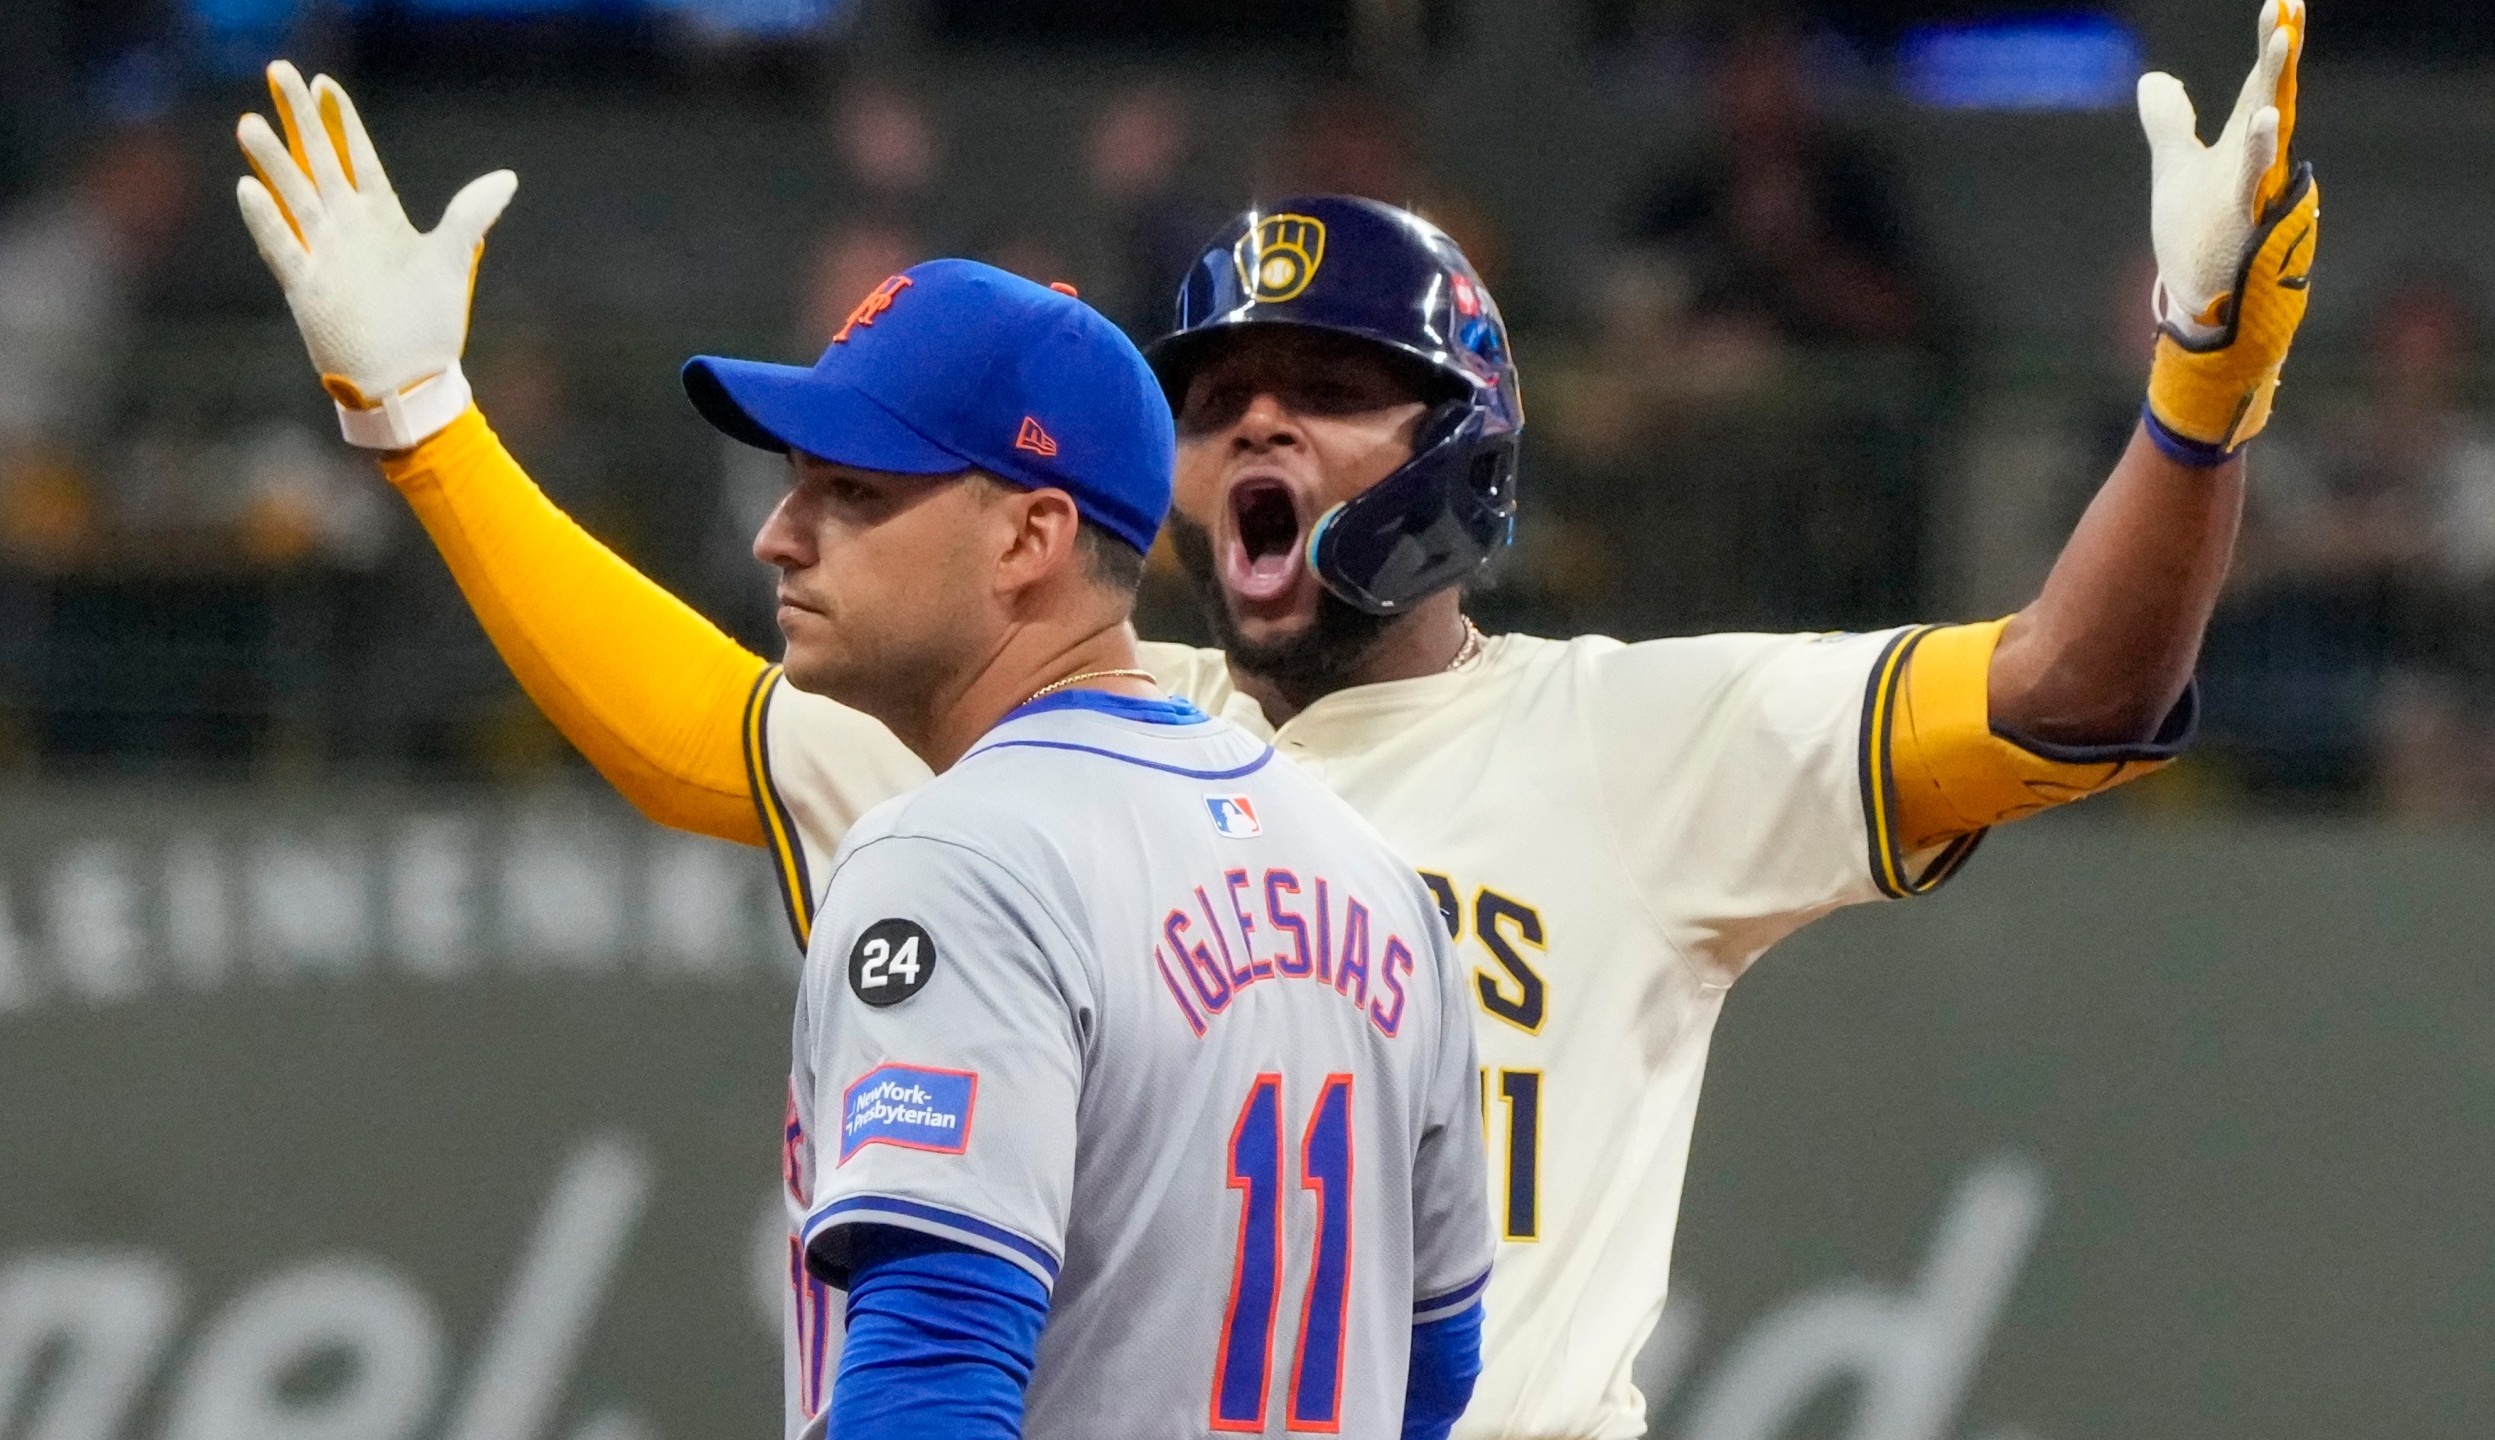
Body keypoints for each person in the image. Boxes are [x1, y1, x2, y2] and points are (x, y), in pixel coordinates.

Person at [232, 0, 2320, 1431]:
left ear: (1460, 452)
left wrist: (2198, 387)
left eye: (1320, 389)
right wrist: (429, 434)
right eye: (1219, 388)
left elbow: (2073, 688)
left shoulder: (1621, 742)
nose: (1255, 420)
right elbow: (708, 730)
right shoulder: (1065, 737)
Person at [234, 66, 1494, 1440]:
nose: (784, 535)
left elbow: (933, 1382)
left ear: (1030, 539)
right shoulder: (1375, 885)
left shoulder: (958, 851)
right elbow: (1431, 1373)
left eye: (855, 492)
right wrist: (426, 426)